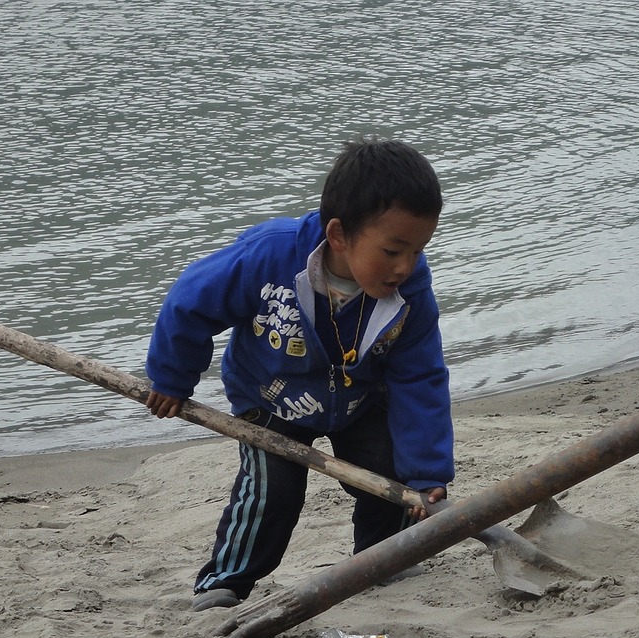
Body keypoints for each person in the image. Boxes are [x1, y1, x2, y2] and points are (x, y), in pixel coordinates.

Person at [143, 137, 454, 611]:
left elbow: (421, 377)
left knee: (391, 474)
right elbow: (190, 303)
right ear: (338, 235)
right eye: (393, 250)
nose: (405, 266)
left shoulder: (410, 292)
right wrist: (171, 379)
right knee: (273, 490)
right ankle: (226, 581)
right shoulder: (269, 257)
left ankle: (383, 556)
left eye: (417, 250)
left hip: (359, 399)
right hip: (268, 395)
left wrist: (427, 472)